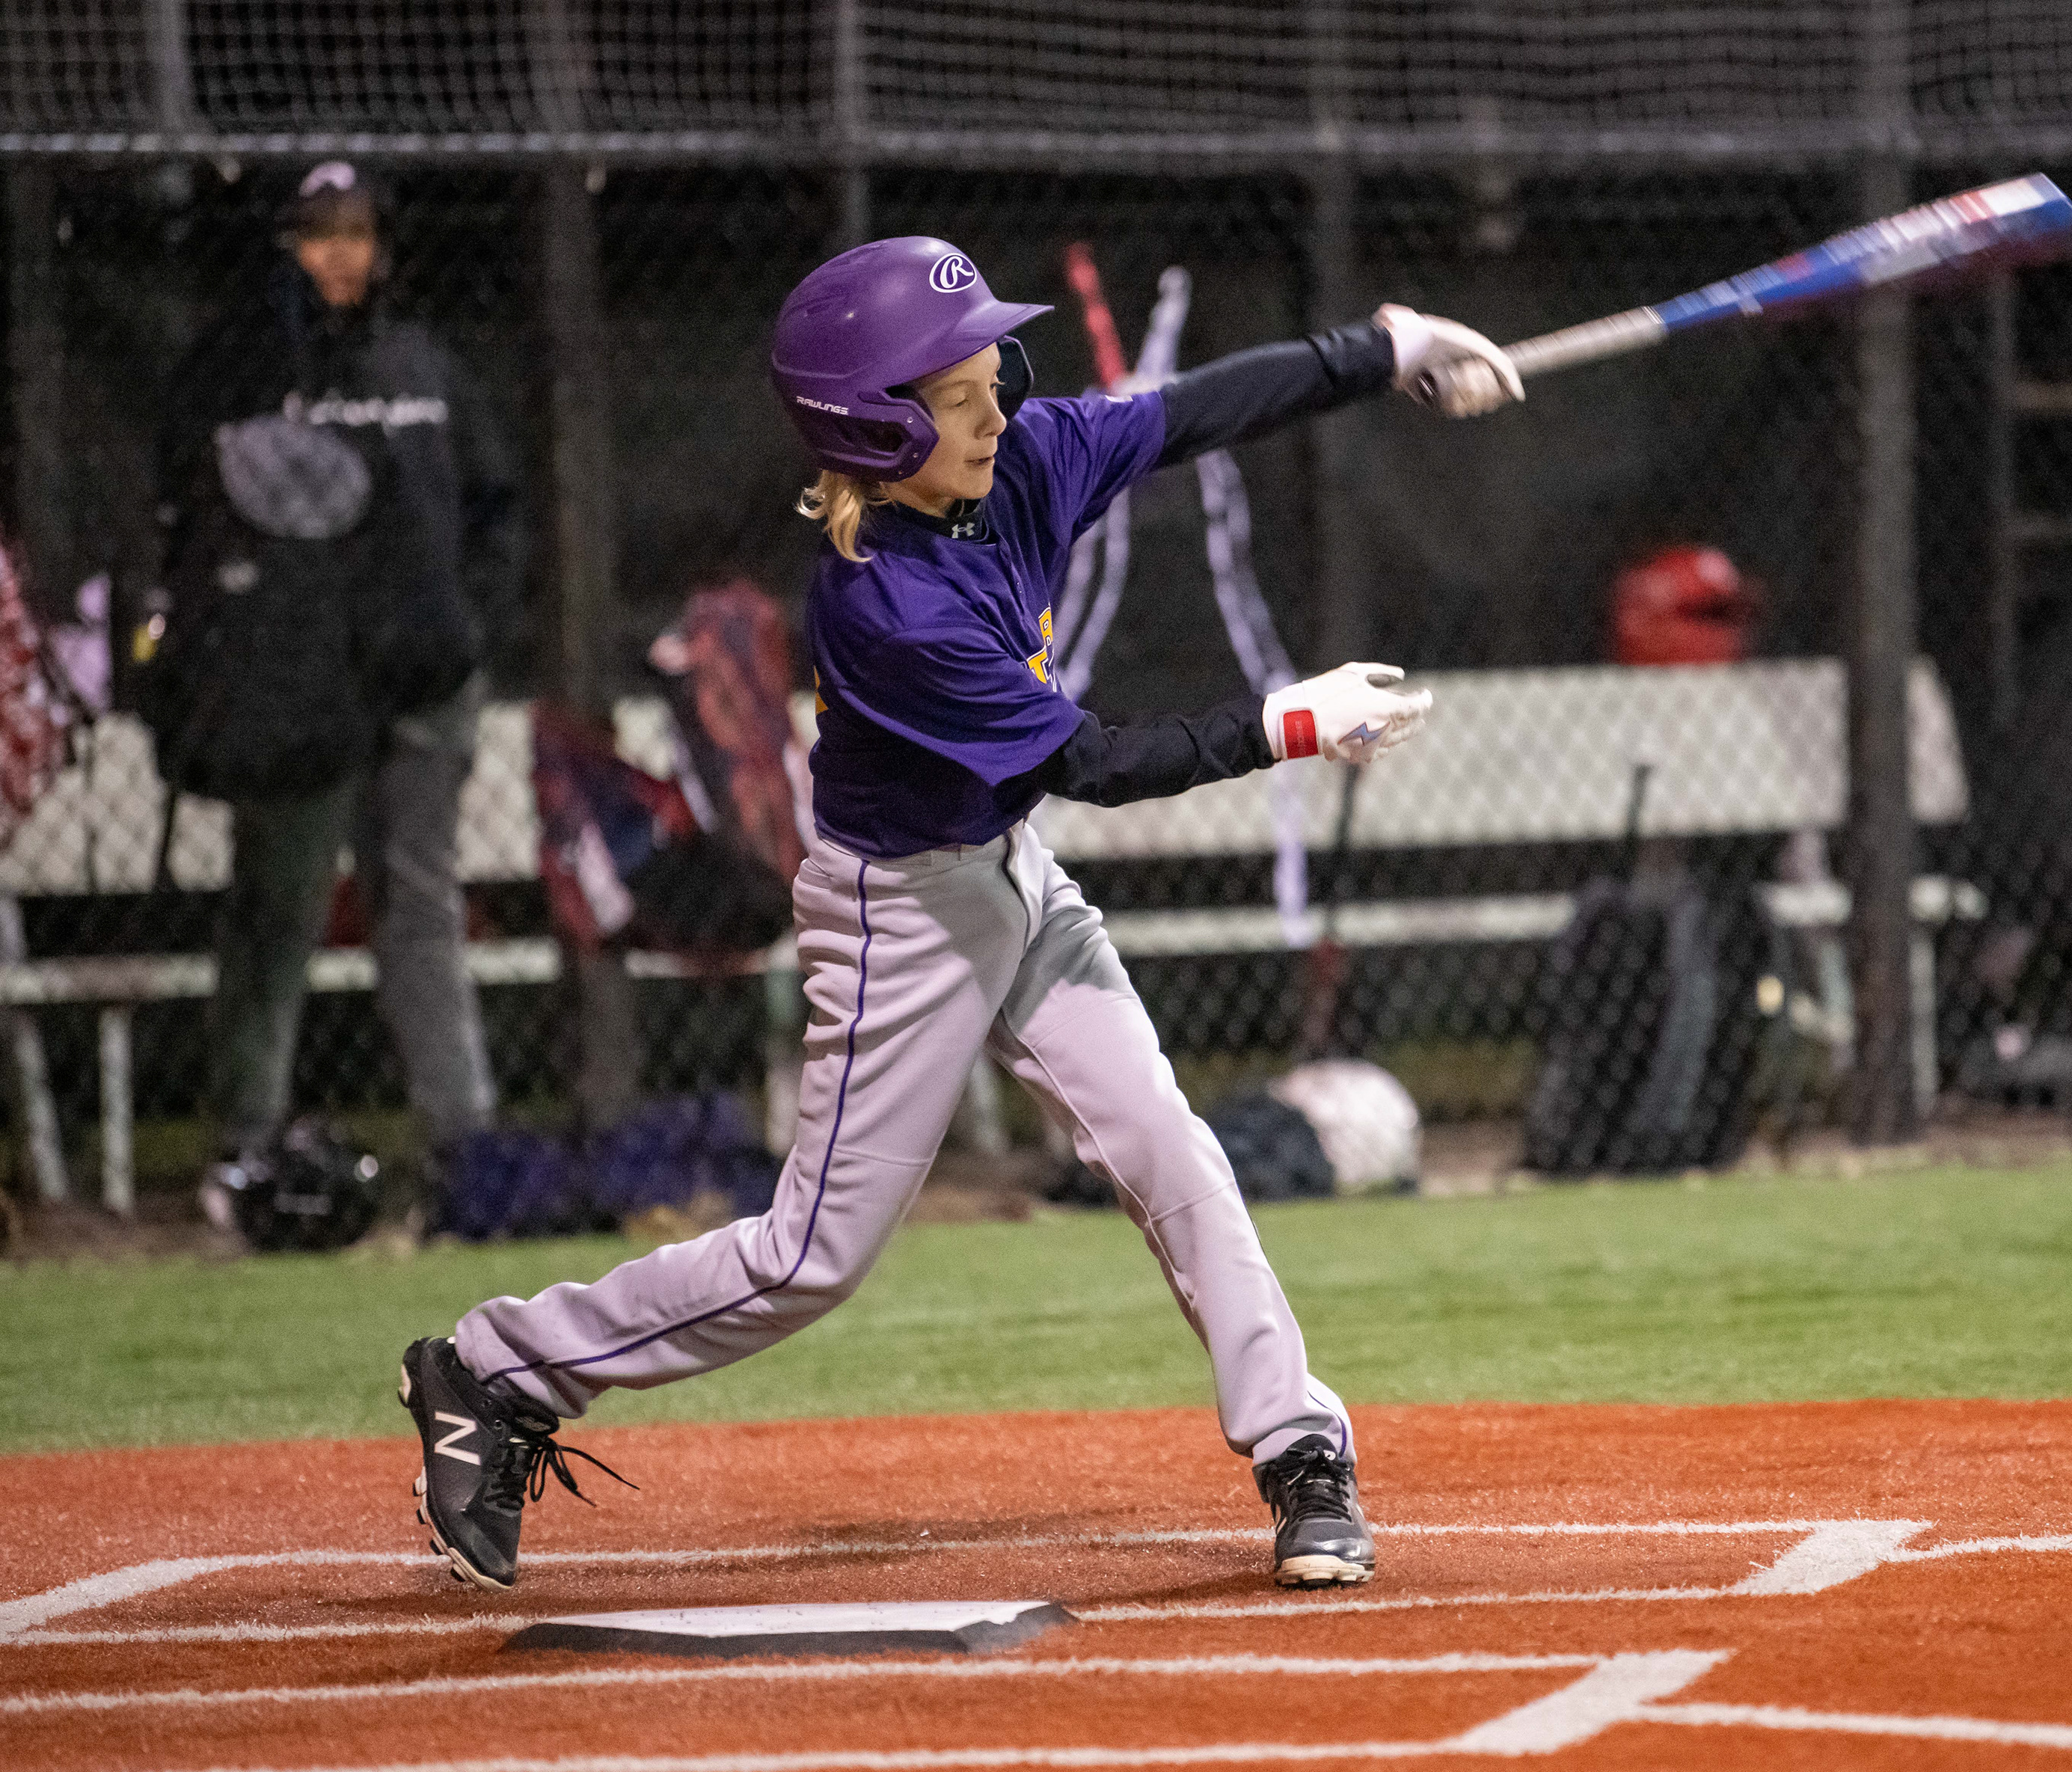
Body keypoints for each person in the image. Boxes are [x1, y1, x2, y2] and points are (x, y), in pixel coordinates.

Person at [397, 236, 1523, 1592]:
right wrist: (1289, 722)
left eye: (992, 376)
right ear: (873, 428)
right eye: (958, 395)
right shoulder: (890, 609)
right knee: (810, 1261)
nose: (997, 411)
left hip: (1009, 873)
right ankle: (495, 1368)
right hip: (903, 919)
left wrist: (1381, 348)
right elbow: (1092, 763)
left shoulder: (1022, 459)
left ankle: (1300, 1446)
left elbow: (1189, 413)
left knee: (1168, 1144)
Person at [156, 162, 519, 1224]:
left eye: (357, 232)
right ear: (283, 245)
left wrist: (466, 627)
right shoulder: (244, 365)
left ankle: (464, 1154)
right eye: (318, 233)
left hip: (426, 683)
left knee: (421, 908)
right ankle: (245, 1148)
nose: (341, 254)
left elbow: (494, 510)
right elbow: (190, 512)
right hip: (302, 692)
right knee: (280, 910)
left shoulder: (424, 365)